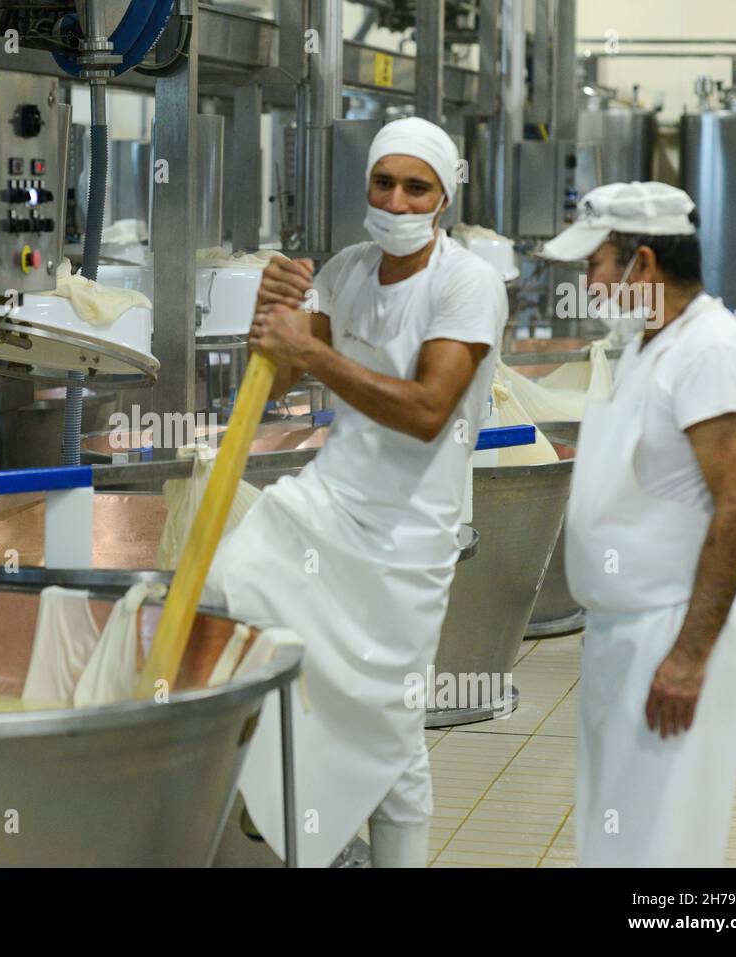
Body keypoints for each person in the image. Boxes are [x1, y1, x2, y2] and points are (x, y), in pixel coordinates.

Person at [204, 117, 508, 868]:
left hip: (414, 527)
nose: (398, 203)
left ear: (443, 198)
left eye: (417, 188)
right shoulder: (344, 271)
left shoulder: (466, 283)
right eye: (384, 182)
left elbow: (427, 411)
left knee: (392, 722)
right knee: (227, 582)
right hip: (330, 502)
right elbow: (274, 373)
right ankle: (296, 806)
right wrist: (265, 318)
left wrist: (309, 346)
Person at [539, 181, 736, 867]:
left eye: (594, 265)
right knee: (622, 844)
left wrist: (689, 655)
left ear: (641, 264)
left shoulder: (714, 352)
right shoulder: (649, 343)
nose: (587, 283)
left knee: (665, 855)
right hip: (626, 632)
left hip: (674, 633)